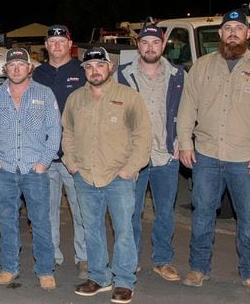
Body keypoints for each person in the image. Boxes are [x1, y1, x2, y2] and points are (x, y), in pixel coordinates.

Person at [177, 10, 250, 298]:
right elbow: (187, 108)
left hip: (245, 158)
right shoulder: (201, 67)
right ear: (220, 34)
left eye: (238, 28)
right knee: (202, 216)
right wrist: (185, 142)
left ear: (248, 34)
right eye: (227, 28)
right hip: (206, 156)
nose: (232, 32)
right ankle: (198, 269)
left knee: (248, 220)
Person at [61, 46, 151, 304]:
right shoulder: (75, 99)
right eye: (89, 67)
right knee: (92, 229)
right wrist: (72, 163)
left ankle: (124, 281)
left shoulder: (129, 97)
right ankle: (99, 277)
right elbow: (67, 132)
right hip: (85, 176)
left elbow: (142, 136)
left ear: (110, 67)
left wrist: (129, 169)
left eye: (100, 65)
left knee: (123, 230)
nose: (94, 71)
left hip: (118, 177)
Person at [0, 47, 60, 290]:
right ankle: (9, 268)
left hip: (34, 170)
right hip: (5, 168)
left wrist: (43, 163)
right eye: (12, 65)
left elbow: (55, 131)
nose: (16, 69)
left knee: (40, 221)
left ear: (30, 68)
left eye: (21, 65)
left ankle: (45, 270)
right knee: (7, 220)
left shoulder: (45, 94)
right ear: (5, 69)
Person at [117, 24, 184, 282]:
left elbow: (187, 109)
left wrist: (182, 139)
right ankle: (131, 260)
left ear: (163, 45)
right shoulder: (122, 75)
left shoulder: (178, 74)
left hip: (166, 155)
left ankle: (163, 260)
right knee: (131, 211)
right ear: (138, 45)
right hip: (133, 156)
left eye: (155, 42)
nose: (150, 47)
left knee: (165, 211)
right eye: (145, 42)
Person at [32, 24, 89, 280]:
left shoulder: (83, 71)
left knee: (82, 209)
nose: (56, 45)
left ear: (70, 44)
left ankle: (84, 258)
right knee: (47, 210)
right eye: (52, 41)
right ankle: (51, 255)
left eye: (61, 41)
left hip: (75, 155)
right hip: (45, 155)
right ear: (46, 45)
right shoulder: (37, 74)